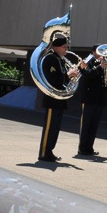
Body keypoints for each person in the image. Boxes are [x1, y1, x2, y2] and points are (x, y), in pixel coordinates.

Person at [37, 33, 81, 162]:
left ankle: (49, 151)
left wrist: (73, 74)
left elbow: (63, 79)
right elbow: (54, 79)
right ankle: (44, 153)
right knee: (49, 128)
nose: (66, 50)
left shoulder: (60, 60)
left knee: (55, 128)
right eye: (64, 47)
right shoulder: (51, 59)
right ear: (56, 47)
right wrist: (69, 74)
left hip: (59, 99)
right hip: (52, 99)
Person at [77, 45, 107, 156]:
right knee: (86, 124)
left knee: (94, 124)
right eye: (100, 51)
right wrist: (100, 67)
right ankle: (82, 148)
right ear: (94, 51)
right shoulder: (88, 60)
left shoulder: (104, 62)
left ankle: (89, 148)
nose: (102, 54)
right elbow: (86, 74)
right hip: (89, 97)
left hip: (100, 97)